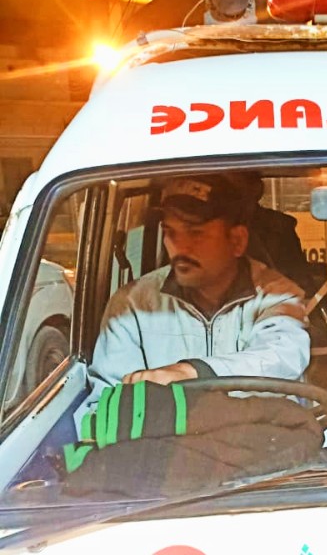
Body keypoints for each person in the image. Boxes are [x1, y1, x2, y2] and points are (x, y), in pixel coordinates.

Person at [76, 173, 311, 421]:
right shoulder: (133, 305)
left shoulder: (277, 295)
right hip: (170, 453)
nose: (179, 247)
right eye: (169, 231)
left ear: (237, 240)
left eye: (195, 233)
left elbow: (282, 357)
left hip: (262, 447)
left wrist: (192, 372)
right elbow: (107, 406)